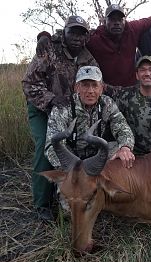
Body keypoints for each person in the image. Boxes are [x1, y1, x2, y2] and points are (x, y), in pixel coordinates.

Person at [22, 15, 98, 222]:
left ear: (86, 37)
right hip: (41, 108)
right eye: (72, 32)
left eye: (81, 33)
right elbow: (29, 84)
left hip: (67, 111)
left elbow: (95, 84)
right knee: (45, 147)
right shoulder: (48, 49)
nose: (77, 38)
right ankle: (42, 204)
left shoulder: (87, 58)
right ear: (64, 32)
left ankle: (66, 193)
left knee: (73, 148)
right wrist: (52, 100)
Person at [37, 5, 151, 87]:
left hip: (132, 87)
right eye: (112, 19)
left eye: (120, 19)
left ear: (125, 20)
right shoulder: (94, 37)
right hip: (106, 90)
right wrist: (44, 36)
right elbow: (69, 36)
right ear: (105, 21)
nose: (116, 22)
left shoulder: (133, 29)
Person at [45, 65, 135, 170]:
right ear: (76, 88)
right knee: (67, 183)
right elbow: (52, 147)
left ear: (101, 88)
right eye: (85, 85)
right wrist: (73, 168)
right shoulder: (62, 108)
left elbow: (122, 128)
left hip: (97, 156)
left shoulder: (107, 103)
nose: (90, 91)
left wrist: (125, 147)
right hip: (72, 161)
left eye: (94, 85)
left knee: (120, 153)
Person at [105, 55, 151, 155]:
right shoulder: (124, 95)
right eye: (142, 70)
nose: (147, 73)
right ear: (137, 75)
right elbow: (113, 124)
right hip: (131, 155)